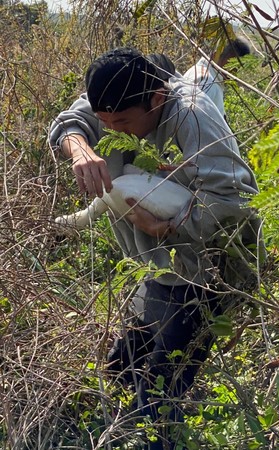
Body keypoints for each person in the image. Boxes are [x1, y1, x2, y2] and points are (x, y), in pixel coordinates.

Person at [49, 46, 261, 449]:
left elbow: (235, 201)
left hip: (205, 273)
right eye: (105, 122)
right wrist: (79, 147)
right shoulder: (114, 100)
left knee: (158, 400)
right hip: (156, 269)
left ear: (157, 99)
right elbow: (71, 122)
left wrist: (164, 227)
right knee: (122, 369)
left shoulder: (192, 115)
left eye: (123, 123)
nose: (112, 131)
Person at [184, 37, 251, 118]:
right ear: (215, 55)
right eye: (231, 64)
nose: (233, 71)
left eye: (237, 67)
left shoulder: (200, 73)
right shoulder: (207, 81)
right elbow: (192, 122)